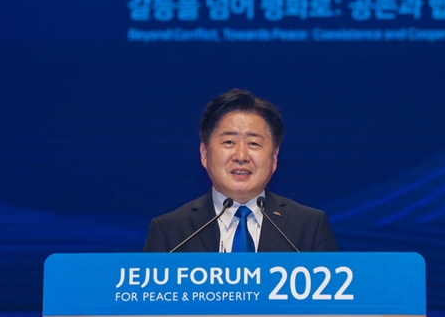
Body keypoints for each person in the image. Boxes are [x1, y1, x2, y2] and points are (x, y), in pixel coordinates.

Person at [143, 89, 338, 252]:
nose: (241, 156)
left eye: (254, 143)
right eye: (229, 142)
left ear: (274, 157)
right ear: (204, 153)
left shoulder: (309, 227)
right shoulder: (169, 232)